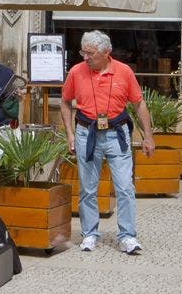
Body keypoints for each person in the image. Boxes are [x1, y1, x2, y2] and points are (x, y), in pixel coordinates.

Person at [60, 29, 155, 256]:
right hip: (86, 133)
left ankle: (127, 236)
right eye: (83, 52)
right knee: (88, 188)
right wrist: (70, 134)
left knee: (124, 186)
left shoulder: (124, 72)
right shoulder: (76, 72)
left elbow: (139, 104)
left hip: (117, 134)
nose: (85, 57)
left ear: (106, 52)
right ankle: (89, 233)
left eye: (90, 53)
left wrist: (148, 136)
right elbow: (65, 102)